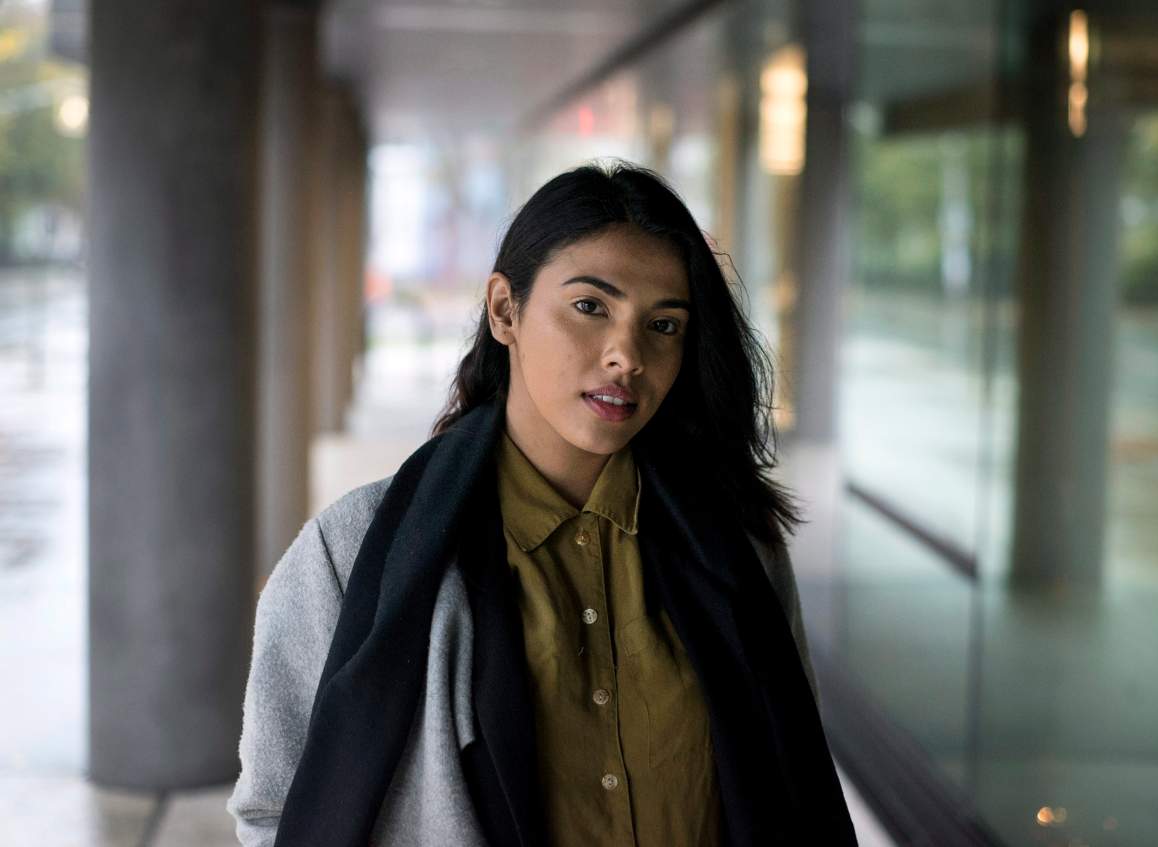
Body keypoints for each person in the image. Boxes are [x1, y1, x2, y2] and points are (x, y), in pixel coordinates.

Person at [227, 161, 859, 846]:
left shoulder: (738, 548)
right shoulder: (349, 553)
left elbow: (791, 782)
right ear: (505, 310)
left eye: (665, 325)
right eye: (591, 307)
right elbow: (275, 813)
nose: (627, 355)